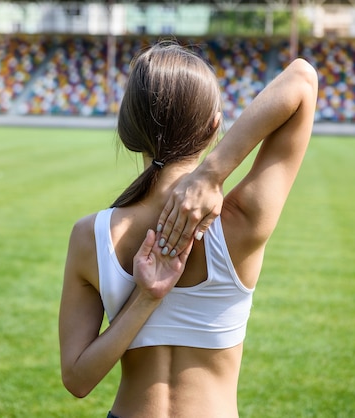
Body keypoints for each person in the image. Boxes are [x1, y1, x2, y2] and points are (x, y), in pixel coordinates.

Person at [59, 41, 318, 417]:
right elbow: (302, 78)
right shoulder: (241, 220)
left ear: (129, 129)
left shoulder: (91, 236)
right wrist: (213, 173)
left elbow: (78, 379)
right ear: (215, 125)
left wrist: (146, 299)